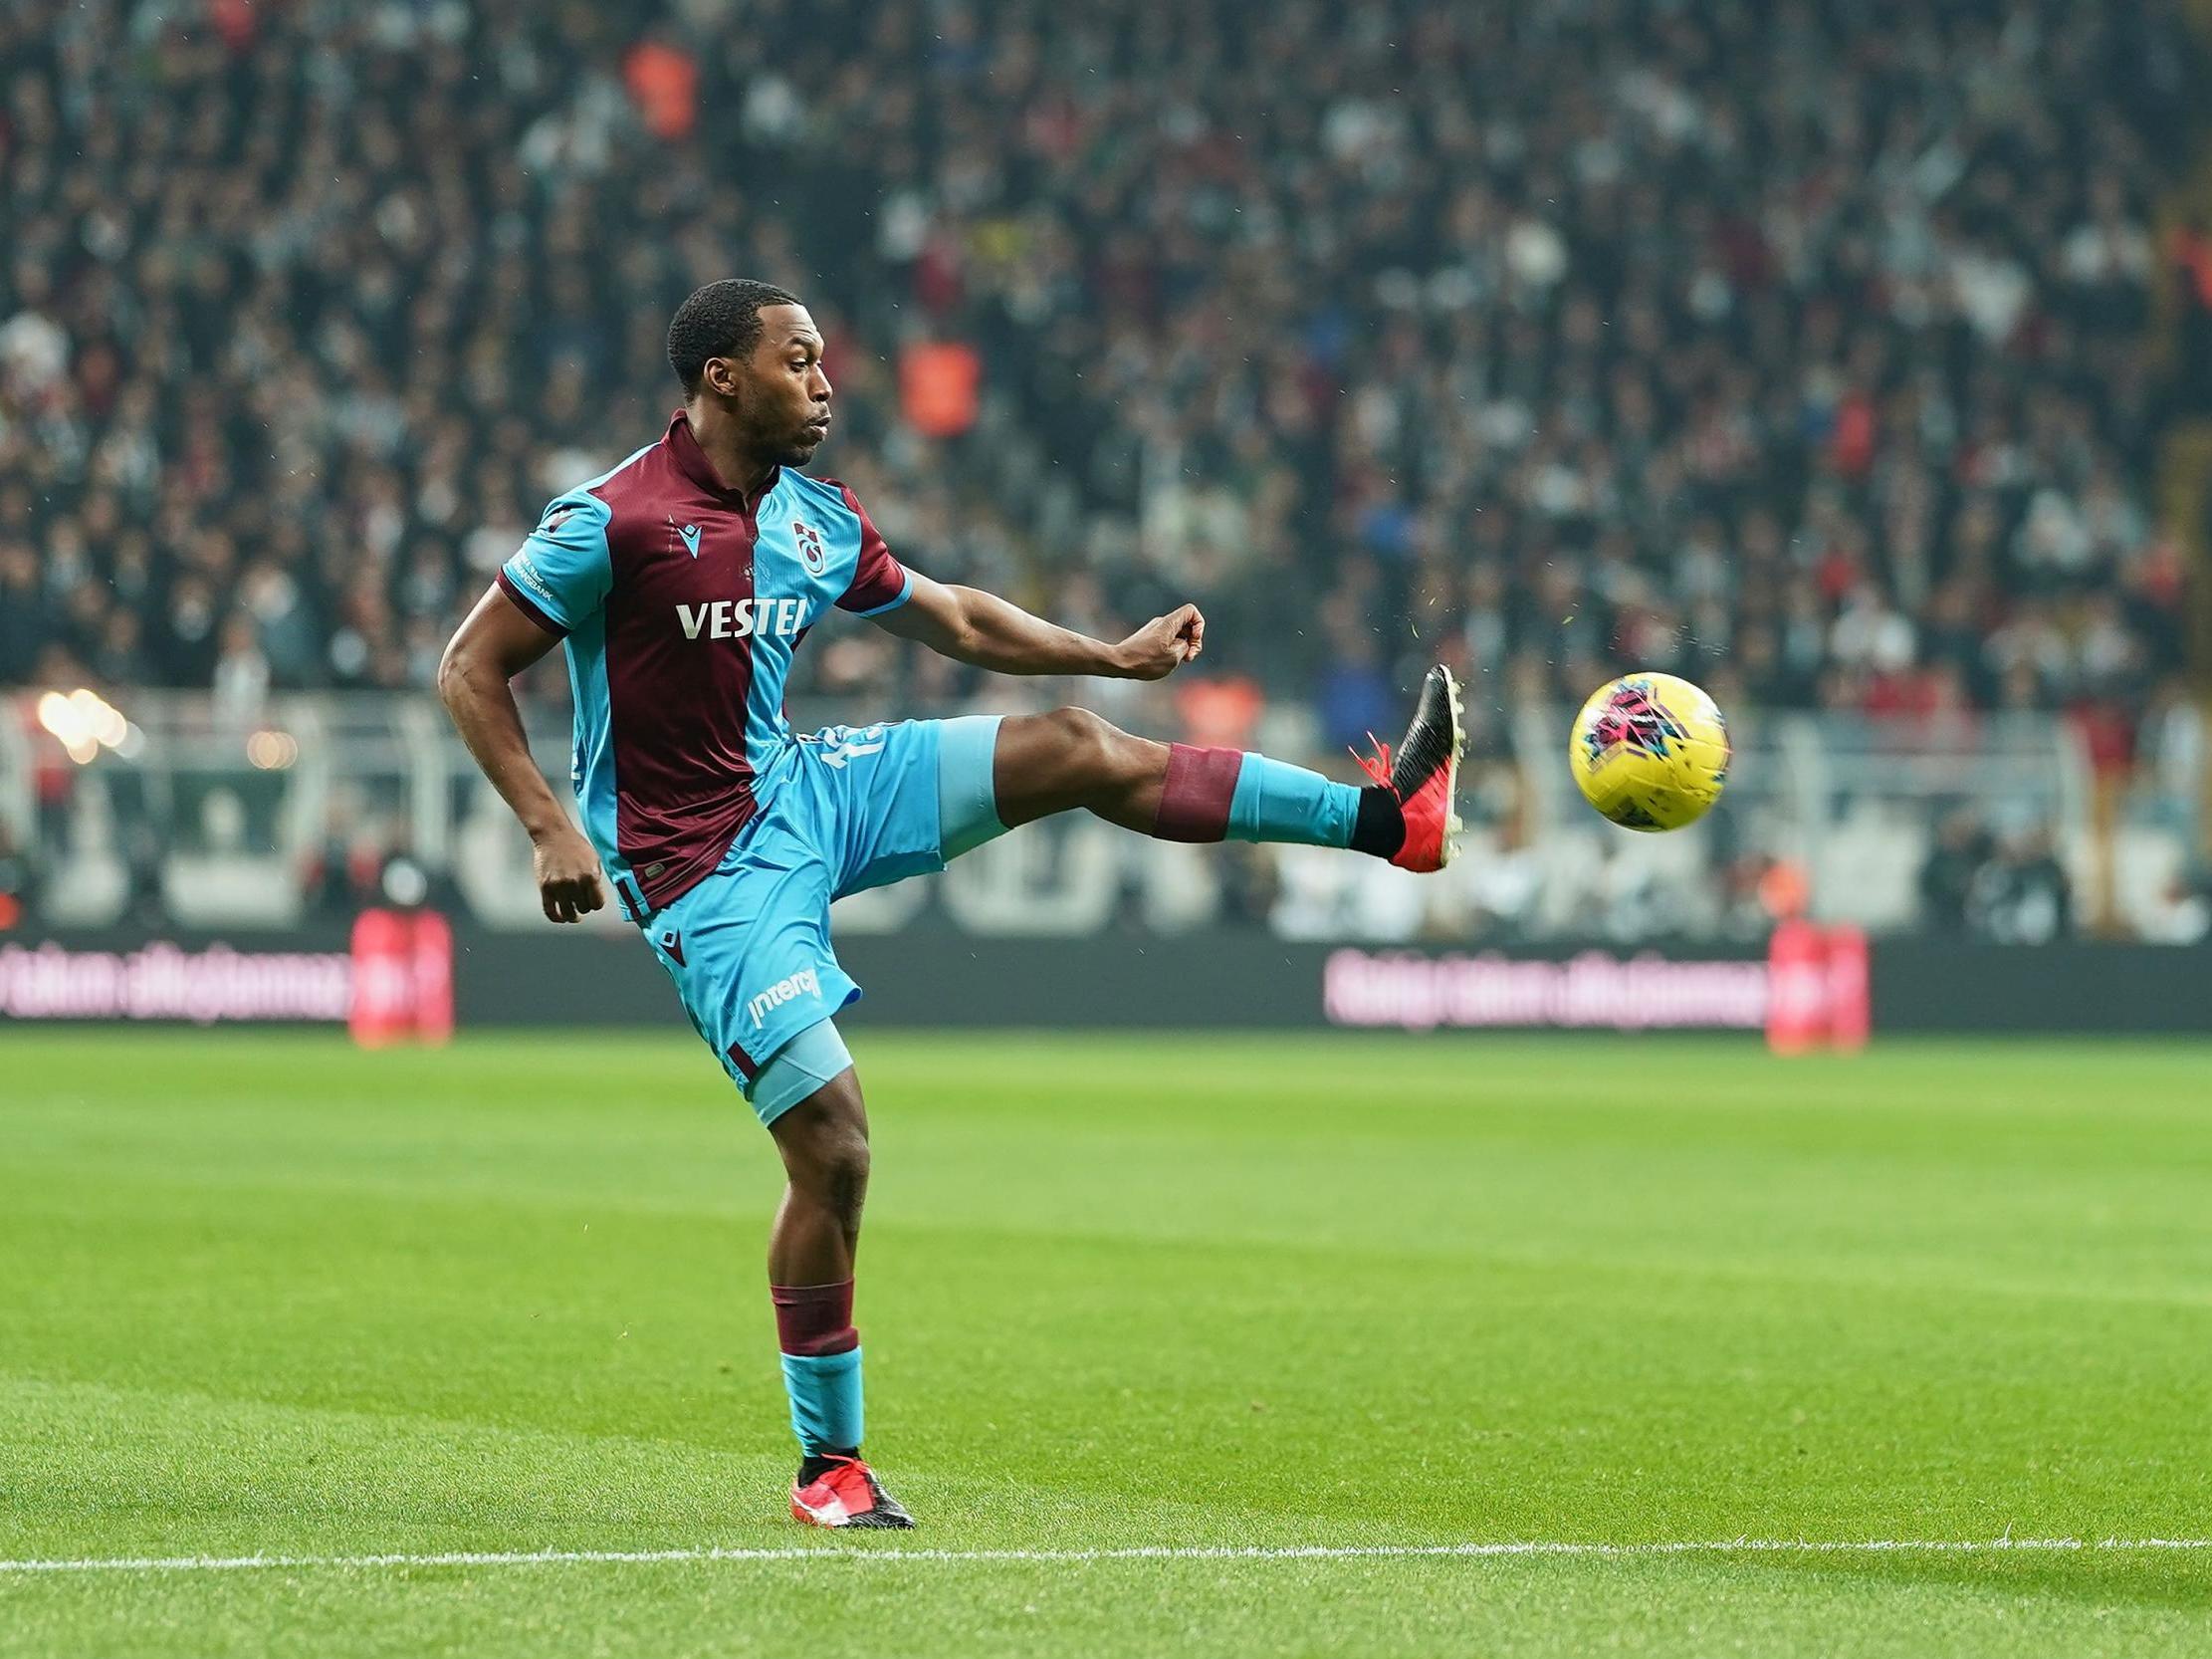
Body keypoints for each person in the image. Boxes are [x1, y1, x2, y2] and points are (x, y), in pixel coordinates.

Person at [438, 279, 1463, 1530]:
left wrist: (1111, 653)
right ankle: (830, 1468)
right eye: (798, 360)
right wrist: (549, 823)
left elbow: (959, 617)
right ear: (720, 376)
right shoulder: (610, 519)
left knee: (1077, 744)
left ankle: (1390, 823)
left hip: (802, 794)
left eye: (822, 360)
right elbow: (470, 665)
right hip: (698, 871)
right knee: (834, 1145)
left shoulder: (812, 518)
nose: (823, 383)